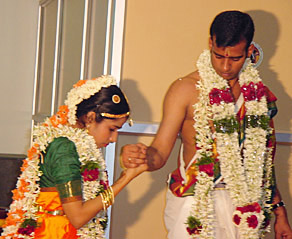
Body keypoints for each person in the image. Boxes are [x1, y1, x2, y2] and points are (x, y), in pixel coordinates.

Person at [121, 10, 292, 239]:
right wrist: (141, 156)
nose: (225, 67)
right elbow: (160, 153)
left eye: (235, 58)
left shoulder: (258, 96)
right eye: (219, 55)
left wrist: (279, 212)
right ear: (210, 43)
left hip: (246, 208)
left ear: (250, 51)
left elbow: (264, 163)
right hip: (195, 204)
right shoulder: (185, 90)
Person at [1, 75, 147, 239]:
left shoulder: (77, 146)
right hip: (54, 233)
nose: (114, 139)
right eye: (112, 129)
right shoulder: (64, 148)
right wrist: (125, 179)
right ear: (91, 117)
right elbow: (78, 217)